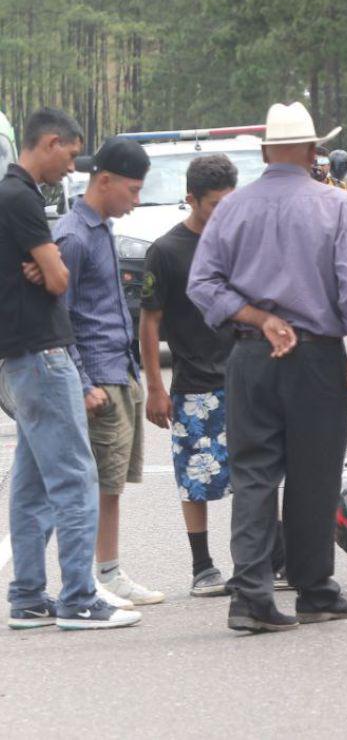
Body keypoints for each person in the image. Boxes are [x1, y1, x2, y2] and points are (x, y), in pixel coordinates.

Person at [189, 101, 347, 634]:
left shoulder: (231, 208)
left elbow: (202, 284)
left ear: (267, 151)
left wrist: (258, 317)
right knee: (313, 477)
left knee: (253, 476)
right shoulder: (337, 206)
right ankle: (314, 590)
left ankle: (250, 596)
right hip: (316, 355)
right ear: (313, 150)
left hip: (250, 354)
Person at [2, 108, 140, 631]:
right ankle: (80, 597)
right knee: (76, 475)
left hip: (24, 355)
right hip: (43, 354)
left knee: (34, 482)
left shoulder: (12, 196)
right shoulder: (20, 197)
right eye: (69, 153)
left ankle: (29, 596)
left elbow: (52, 270)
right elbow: (60, 281)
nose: (71, 165)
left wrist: (49, 267)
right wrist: (51, 270)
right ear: (50, 142)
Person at [54, 137, 164, 609]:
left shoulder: (101, 230)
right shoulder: (74, 235)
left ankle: (110, 572)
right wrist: (82, 383)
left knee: (112, 483)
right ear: (105, 181)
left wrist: (133, 372)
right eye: (133, 190)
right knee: (92, 483)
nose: (136, 202)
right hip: (95, 379)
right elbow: (60, 317)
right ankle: (84, 580)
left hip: (118, 373)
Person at [139, 155, 239, 597]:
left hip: (244, 377)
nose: (223, 212)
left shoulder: (238, 241)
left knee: (258, 474)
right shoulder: (165, 251)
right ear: (191, 199)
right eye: (215, 204)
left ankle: (268, 559)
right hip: (195, 383)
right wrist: (155, 388)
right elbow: (149, 322)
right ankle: (202, 567)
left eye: (230, 203)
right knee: (196, 478)